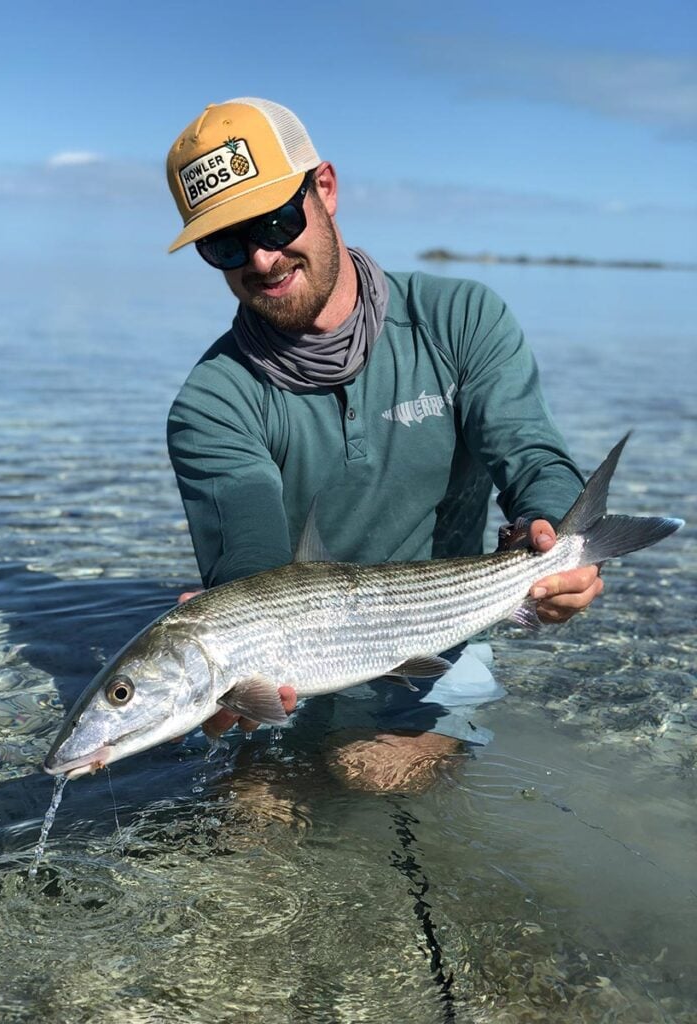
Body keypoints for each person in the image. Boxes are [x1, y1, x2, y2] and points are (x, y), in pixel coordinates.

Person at [163, 97, 602, 790]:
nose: (263, 257)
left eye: (276, 220)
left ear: (325, 189)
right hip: (287, 667)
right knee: (250, 822)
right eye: (226, 243)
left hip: (442, 640)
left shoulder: (461, 319)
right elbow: (248, 560)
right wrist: (232, 619)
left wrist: (553, 534)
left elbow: (528, 451)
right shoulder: (210, 403)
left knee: (371, 773)